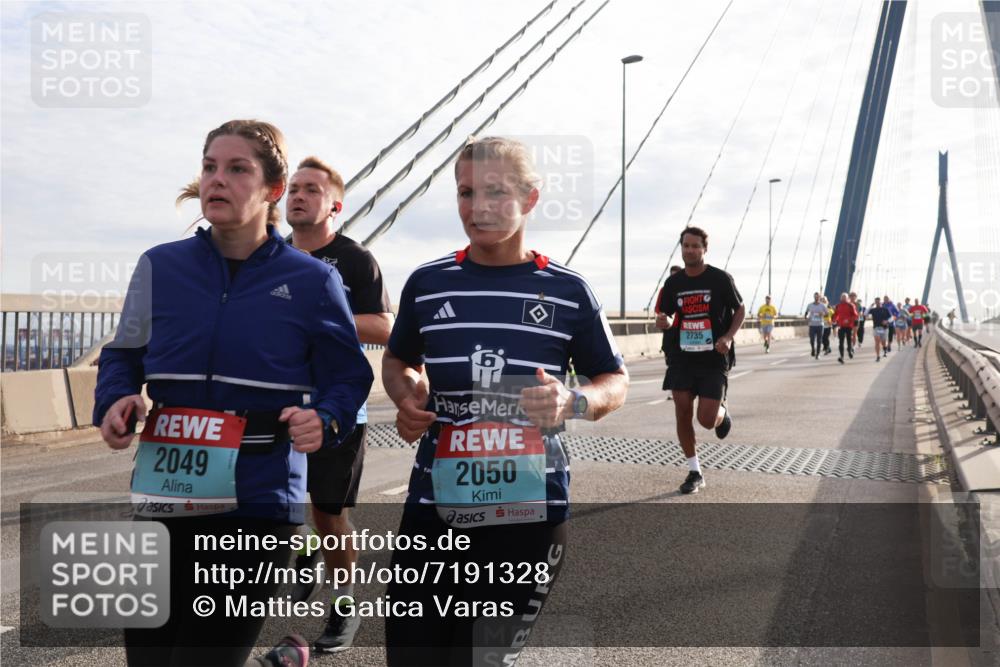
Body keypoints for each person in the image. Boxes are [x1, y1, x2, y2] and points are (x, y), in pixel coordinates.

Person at [94, 120, 374, 667]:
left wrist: (328, 417)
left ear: (272, 190)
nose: (217, 180)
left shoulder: (315, 282)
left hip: (260, 498)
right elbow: (124, 354)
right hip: (165, 491)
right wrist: (117, 398)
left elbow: (347, 377)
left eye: (237, 169)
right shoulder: (160, 266)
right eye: (209, 167)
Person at [381, 137, 629, 665]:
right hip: (434, 510)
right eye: (466, 193)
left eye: (495, 192)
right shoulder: (427, 284)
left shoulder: (568, 291)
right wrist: (407, 396)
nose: (478, 207)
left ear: (531, 198)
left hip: (529, 516)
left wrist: (574, 400)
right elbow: (398, 360)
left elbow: (614, 378)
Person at [280, 156, 393, 654]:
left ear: (335, 205)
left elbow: (385, 327)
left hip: (336, 408)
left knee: (329, 514)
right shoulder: (269, 255)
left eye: (310, 190)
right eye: (293, 189)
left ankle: (344, 605)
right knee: (265, 505)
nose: (298, 196)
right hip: (274, 405)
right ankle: (300, 543)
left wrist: (324, 314)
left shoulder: (354, 260)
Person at [659, 226, 745, 494]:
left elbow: (739, 308)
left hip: (713, 359)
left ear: (704, 249)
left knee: (706, 420)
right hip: (682, 358)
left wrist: (729, 337)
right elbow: (669, 315)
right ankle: (694, 471)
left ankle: (722, 413)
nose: (690, 250)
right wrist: (665, 321)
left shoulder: (720, 278)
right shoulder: (674, 283)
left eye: (696, 246)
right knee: (682, 412)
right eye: (686, 246)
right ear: (681, 248)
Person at [655, 265, 684, 402]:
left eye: (677, 275)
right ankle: (675, 391)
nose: (674, 278)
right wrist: (664, 319)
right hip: (670, 331)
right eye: (672, 275)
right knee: (671, 362)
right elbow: (658, 309)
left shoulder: (689, 288)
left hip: (685, 331)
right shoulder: (664, 290)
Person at [832, 292, 858, 364]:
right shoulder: (838, 306)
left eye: (844, 297)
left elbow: (855, 315)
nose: (843, 298)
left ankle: (849, 351)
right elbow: (836, 314)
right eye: (842, 297)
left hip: (849, 326)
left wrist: (849, 320)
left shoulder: (851, 305)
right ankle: (841, 357)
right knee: (841, 342)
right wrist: (834, 320)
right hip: (841, 326)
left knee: (849, 340)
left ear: (847, 298)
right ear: (840, 298)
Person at [868, 297, 892, 362]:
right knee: (877, 341)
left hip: (884, 328)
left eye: (878, 302)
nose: (877, 303)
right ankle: (878, 356)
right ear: (875, 302)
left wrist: (886, 321)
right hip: (876, 328)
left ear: (880, 302)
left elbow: (892, 318)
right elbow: (865, 314)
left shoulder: (885, 309)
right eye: (876, 302)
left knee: (883, 342)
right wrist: (870, 306)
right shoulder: (873, 310)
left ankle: (884, 348)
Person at [805, 293, 827, 360]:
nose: (816, 298)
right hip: (812, 325)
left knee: (819, 340)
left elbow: (827, 314)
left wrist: (822, 314)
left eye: (818, 297)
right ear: (814, 297)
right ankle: (813, 349)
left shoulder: (823, 305)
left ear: (819, 298)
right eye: (815, 297)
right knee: (812, 340)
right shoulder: (810, 305)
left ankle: (817, 354)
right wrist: (806, 317)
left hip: (820, 325)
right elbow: (806, 313)